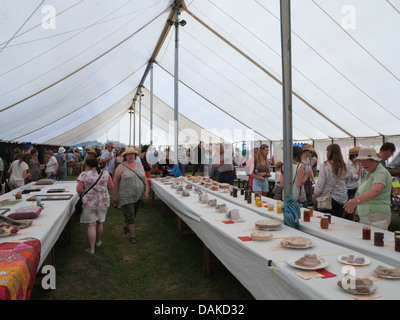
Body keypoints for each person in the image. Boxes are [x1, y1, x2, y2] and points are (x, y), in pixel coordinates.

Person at [343, 147, 392, 230]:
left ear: (374, 160)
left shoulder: (380, 172)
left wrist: (356, 200)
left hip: (376, 216)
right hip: (370, 216)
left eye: (365, 161)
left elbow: (375, 191)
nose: (363, 164)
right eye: (361, 161)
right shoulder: (371, 172)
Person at [76, 158, 113, 254]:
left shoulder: (84, 174)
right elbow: (111, 187)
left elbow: (79, 189)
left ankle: (91, 249)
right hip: (103, 201)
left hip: (89, 202)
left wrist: (83, 193)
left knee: (91, 224)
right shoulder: (106, 173)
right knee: (100, 222)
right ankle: (97, 242)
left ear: (87, 165)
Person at [113, 148, 148, 244]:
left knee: (133, 213)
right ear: (125, 156)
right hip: (125, 195)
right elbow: (115, 181)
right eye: (128, 154)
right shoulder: (121, 167)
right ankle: (133, 235)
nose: (130, 156)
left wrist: (146, 191)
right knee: (130, 215)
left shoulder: (140, 165)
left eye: (132, 154)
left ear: (135, 155)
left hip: (138, 195)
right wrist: (115, 195)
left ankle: (126, 225)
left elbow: (144, 178)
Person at [312, 144, 348, 217]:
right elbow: (346, 180)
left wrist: (315, 195)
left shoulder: (325, 165)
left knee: (324, 221)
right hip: (341, 197)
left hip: (326, 197)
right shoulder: (344, 166)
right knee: (338, 221)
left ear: (329, 152)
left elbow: (320, 183)